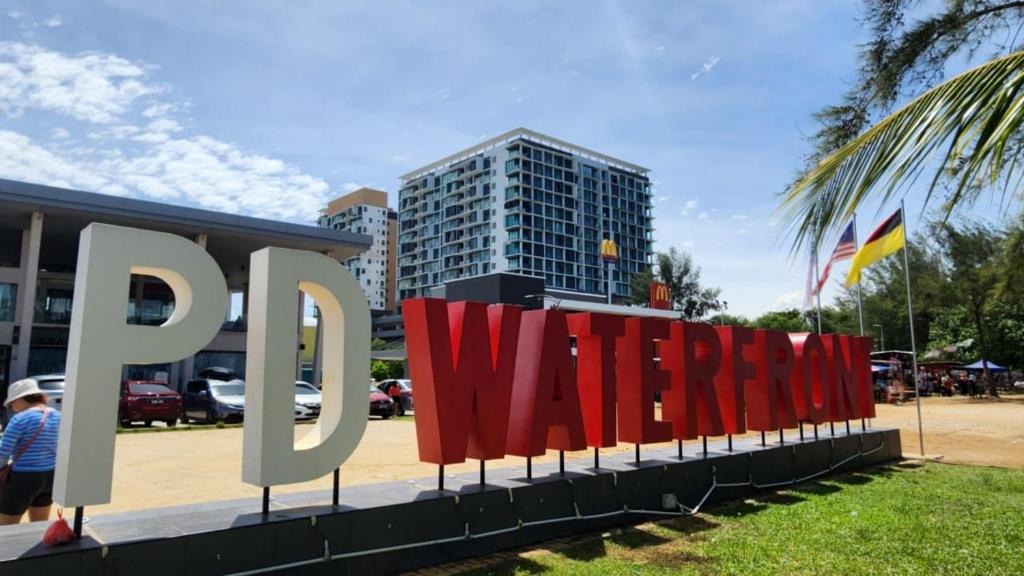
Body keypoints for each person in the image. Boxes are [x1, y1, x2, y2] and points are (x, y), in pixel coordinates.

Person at [0, 378, 61, 525]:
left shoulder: (20, 419)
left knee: (6, 529)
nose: (12, 407)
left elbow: (3, 453)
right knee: (38, 527)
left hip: (23, 478)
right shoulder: (58, 416)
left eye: (11, 404)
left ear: (20, 400)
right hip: (50, 476)